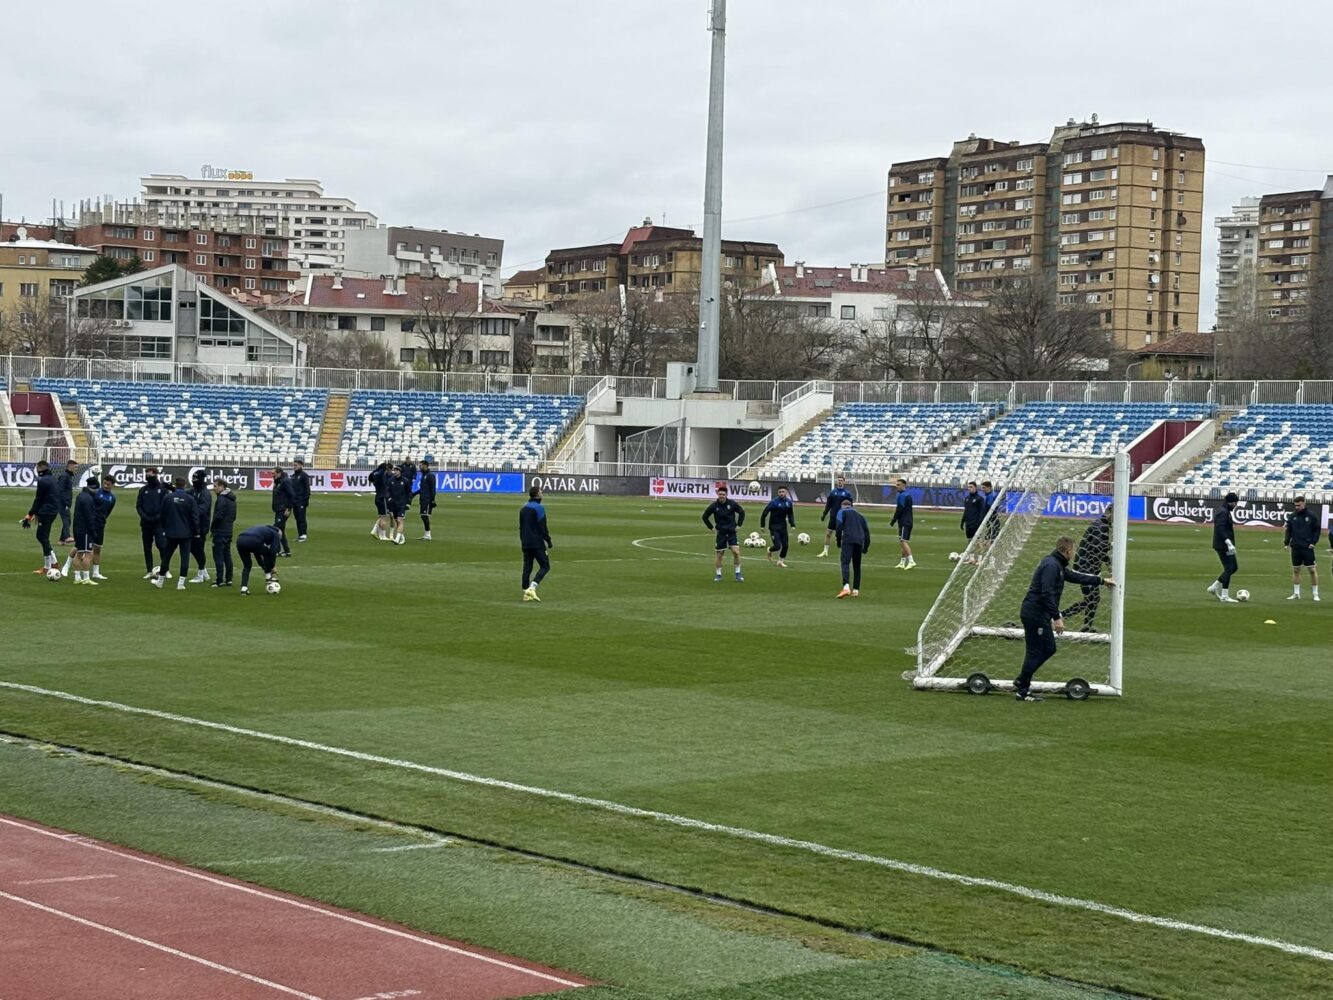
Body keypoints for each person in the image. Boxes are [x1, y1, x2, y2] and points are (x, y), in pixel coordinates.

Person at [1014, 535, 1116, 702]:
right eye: (1073, 550)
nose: (1074, 553)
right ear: (1068, 551)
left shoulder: (1057, 564)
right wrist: (1057, 618)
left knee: (1046, 648)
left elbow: (1075, 577)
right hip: (1035, 613)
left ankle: (1022, 682)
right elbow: (1046, 593)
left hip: (1038, 613)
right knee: (1039, 650)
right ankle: (1022, 688)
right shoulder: (1051, 566)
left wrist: (1101, 581)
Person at [1060, 505, 1113, 631]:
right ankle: (1062, 617)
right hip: (1085, 568)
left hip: (1089, 567)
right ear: (1110, 513)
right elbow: (1099, 549)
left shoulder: (1102, 525)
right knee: (1092, 598)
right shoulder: (1100, 526)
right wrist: (1109, 560)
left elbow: (1099, 551)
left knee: (1092, 599)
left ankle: (1086, 626)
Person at [152, 476, 198, 591]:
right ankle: (181, 583)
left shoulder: (168, 498)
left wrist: (164, 528)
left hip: (171, 532)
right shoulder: (190, 499)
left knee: (166, 556)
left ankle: (160, 581)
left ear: (175, 485)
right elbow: (195, 517)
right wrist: (196, 531)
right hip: (186, 533)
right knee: (185, 557)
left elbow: (162, 514)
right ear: (185, 485)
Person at [21, 460, 60, 575]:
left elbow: (39, 499)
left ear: (39, 468)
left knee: (42, 537)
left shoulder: (43, 481)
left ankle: (49, 565)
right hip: (52, 511)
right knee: (43, 537)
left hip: (47, 512)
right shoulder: (53, 479)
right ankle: (53, 563)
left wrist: (31, 513)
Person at [703, 484, 745, 582]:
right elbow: (704, 516)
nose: (721, 496)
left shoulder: (732, 504)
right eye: (720, 494)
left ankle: (738, 573)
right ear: (718, 494)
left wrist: (739, 525)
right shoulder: (714, 506)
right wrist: (712, 528)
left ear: (726, 495)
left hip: (731, 532)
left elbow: (742, 512)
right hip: (721, 533)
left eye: (723, 494)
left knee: (736, 552)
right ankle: (718, 574)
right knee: (719, 554)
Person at [519, 484, 553, 601]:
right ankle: (532, 588)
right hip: (536, 543)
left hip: (525, 542)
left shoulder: (523, 508)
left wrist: (523, 540)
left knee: (527, 566)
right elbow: (543, 526)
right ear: (538, 494)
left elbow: (521, 527)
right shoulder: (539, 508)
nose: (542, 493)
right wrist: (548, 540)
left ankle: (525, 592)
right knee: (545, 565)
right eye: (541, 492)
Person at [135, 467, 171, 579]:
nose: (148, 477)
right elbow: (139, 506)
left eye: (150, 475)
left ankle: (166, 570)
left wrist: (158, 517)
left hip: (159, 523)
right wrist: (144, 516)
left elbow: (165, 506)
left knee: (162, 546)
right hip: (146, 523)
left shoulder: (163, 489)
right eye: (147, 475)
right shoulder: (143, 490)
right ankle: (149, 571)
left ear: (156, 475)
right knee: (147, 547)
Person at [1284, 495, 1321, 601]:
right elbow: (1288, 530)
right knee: (1296, 570)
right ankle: (1296, 593)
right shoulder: (1292, 516)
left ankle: (1315, 594)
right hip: (1295, 546)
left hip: (1307, 547)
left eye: (1299, 505)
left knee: (1312, 570)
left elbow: (1316, 530)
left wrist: (1313, 542)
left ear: (1304, 503)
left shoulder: (1312, 516)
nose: (1297, 507)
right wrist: (1286, 543)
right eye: (1295, 505)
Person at [1206, 491, 1240, 603]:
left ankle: (1214, 587)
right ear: (1231, 502)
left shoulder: (1225, 511)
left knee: (1233, 567)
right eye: (1235, 503)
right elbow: (1220, 529)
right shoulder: (1223, 512)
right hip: (1223, 545)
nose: (1236, 505)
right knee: (1229, 568)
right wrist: (1228, 542)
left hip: (1225, 545)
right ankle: (1224, 595)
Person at [834, 497, 871, 598]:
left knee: (845, 562)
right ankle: (856, 590)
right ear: (851, 506)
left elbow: (838, 526)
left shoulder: (842, 512)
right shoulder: (860, 516)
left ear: (843, 506)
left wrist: (838, 540)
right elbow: (867, 531)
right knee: (857, 566)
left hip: (848, 540)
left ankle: (846, 587)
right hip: (859, 541)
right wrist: (866, 546)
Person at [69, 476, 100, 586]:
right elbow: (89, 517)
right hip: (85, 530)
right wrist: (93, 531)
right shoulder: (88, 499)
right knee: (88, 554)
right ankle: (86, 578)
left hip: (78, 528)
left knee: (79, 553)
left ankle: (77, 577)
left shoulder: (81, 496)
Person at [236, 523, 282, 595]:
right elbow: (273, 551)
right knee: (267, 553)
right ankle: (268, 577)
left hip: (240, 540)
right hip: (253, 540)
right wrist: (272, 566)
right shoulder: (276, 534)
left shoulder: (262, 530)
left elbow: (257, 553)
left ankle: (244, 588)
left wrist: (264, 566)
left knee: (247, 565)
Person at [817, 475, 854, 557]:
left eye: (841, 480)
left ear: (844, 482)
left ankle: (844, 551)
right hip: (833, 516)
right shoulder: (833, 492)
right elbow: (828, 505)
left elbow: (851, 505)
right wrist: (824, 514)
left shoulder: (847, 493)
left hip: (843, 517)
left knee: (843, 535)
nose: (839, 481)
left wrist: (851, 516)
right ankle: (825, 551)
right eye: (838, 480)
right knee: (828, 533)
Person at [210, 477, 237, 588]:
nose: (214, 489)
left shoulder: (221, 499)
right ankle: (229, 579)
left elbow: (218, 516)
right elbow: (234, 516)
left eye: (215, 486)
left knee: (218, 556)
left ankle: (219, 580)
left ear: (222, 486)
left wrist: (213, 527)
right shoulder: (232, 499)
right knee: (227, 555)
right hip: (228, 530)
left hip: (220, 531)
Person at [89, 473, 116, 581]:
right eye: (104, 483)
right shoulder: (96, 492)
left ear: (112, 485)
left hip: (100, 524)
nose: (105, 486)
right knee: (83, 548)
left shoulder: (112, 498)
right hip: (91, 523)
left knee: (98, 549)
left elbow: (108, 512)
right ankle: (70, 568)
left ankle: (96, 572)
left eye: (108, 484)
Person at [187, 469, 212, 584]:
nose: (194, 481)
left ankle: (201, 574)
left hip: (201, 526)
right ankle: (204, 571)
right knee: (194, 548)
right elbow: (185, 495)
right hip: (193, 525)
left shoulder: (205, 493)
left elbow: (202, 509)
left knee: (198, 549)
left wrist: (190, 511)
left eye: (196, 479)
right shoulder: (193, 491)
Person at [760, 486, 795, 567]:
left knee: (785, 545)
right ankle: (769, 550)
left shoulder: (789, 502)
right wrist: (762, 525)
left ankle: (780, 561)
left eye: (783, 491)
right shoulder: (774, 502)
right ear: (778, 493)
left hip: (783, 527)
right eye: (780, 492)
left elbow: (790, 514)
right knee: (777, 546)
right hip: (774, 527)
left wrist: (792, 524)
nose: (781, 493)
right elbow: (764, 513)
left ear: (786, 492)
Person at [890, 477, 915, 569]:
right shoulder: (908, 495)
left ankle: (911, 561)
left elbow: (899, 509)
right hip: (909, 521)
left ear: (903, 485)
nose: (896, 487)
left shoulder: (902, 496)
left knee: (902, 541)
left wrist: (893, 520)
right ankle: (902, 562)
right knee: (904, 541)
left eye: (898, 485)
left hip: (904, 522)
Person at [270, 466, 295, 556]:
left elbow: (291, 495)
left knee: (275, 528)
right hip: (278, 509)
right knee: (281, 530)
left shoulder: (285, 481)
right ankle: (286, 551)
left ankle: (276, 550)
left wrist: (289, 508)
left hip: (283, 509)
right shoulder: (278, 482)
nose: (272, 475)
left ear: (279, 473)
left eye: (274, 473)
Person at [55, 458, 78, 545]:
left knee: (67, 520)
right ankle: (67, 536)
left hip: (64, 502)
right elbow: (60, 491)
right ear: (70, 466)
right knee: (66, 520)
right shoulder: (64, 477)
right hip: (62, 502)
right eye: (75, 467)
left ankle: (61, 540)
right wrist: (65, 502)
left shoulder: (67, 476)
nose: (76, 469)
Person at [385, 464, 409, 545]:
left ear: (400, 471)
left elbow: (409, 492)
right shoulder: (390, 480)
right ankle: (402, 538)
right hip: (393, 504)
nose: (395, 471)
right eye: (394, 470)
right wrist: (388, 498)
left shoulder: (405, 481)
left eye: (397, 470)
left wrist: (408, 503)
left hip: (401, 504)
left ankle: (397, 539)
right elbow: (387, 491)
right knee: (396, 521)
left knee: (400, 520)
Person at [960, 481, 985, 556]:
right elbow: (966, 511)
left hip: (976, 523)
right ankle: (971, 558)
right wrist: (962, 521)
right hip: (968, 524)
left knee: (978, 542)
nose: (969, 488)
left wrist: (980, 522)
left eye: (971, 487)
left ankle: (980, 558)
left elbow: (982, 511)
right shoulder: (967, 499)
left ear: (975, 488)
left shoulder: (979, 499)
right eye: (968, 487)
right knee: (969, 541)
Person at [415, 456, 437, 540]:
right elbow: (422, 489)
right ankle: (426, 534)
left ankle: (428, 535)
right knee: (423, 516)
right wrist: (414, 494)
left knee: (425, 516)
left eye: (420, 465)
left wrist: (432, 500)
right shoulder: (424, 475)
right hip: (423, 499)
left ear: (425, 465)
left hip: (427, 500)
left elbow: (433, 489)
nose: (419, 467)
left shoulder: (430, 475)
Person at [369, 460, 391, 540]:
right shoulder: (382, 474)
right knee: (384, 517)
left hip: (377, 497)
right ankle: (382, 535)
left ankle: (374, 531)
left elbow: (370, 477)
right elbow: (387, 474)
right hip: (383, 497)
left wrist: (377, 469)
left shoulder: (375, 474)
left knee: (381, 516)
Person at [291, 458, 311, 542]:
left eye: (296, 465)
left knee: (302, 518)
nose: (294, 467)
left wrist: (305, 501)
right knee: (297, 518)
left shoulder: (304, 475)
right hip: (294, 501)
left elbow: (307, 489)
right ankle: (300, 535)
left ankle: (304, 535)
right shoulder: (293, 476)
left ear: (301, 465)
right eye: (294, 465)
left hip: (301, 501)